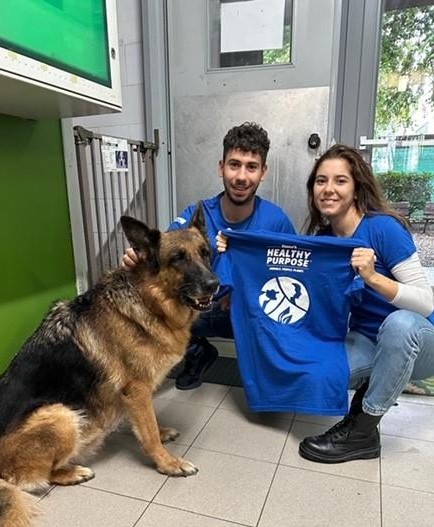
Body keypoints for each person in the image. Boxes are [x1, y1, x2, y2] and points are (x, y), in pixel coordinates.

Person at [122, 122, 295, 390]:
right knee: (153, 298)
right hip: (198, 309)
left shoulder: (277, 221)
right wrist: (138, 260)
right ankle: (197, 353)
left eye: (251, 166)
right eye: (234, 164)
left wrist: (244, 292)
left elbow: (290, 279)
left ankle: (266, 373)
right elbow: (165, 255)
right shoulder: (197, 214)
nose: (241, 176)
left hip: (248, 312)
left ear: (263, 172)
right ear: (221, 167)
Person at [295, 144, 434, 463]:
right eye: (320, 181)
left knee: (399, 325)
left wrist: (373, 278)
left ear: (357, 187)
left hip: (419, 339)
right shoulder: (325, 241)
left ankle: (362, 432)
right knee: (316, 374)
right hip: (367, 339)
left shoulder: (383, 228)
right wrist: (232, 244)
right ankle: (376, 384)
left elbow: (426, 302)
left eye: (340, 181)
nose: (328, 189)